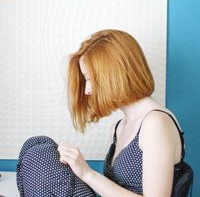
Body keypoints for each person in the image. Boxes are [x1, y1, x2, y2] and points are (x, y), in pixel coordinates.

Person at [17, 29, 185, 197]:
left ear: (114, 75)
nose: (87, 90)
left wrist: (87, 174)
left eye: (90, 79)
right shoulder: (119, 127)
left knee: (40, 152)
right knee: (37, 145)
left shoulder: (156, 123)